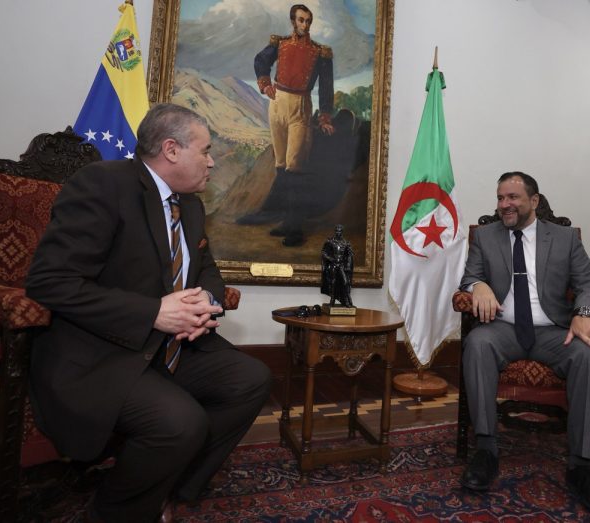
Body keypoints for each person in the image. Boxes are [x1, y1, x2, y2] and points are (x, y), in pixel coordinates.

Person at [26, 103, 272, 523]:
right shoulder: (102, 185)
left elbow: (207, 269)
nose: (212, 162)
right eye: (206, 150)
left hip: (168, 348)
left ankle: (168, 486)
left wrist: (206, 299)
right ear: (172, 150)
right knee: (181, 423)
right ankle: (114, 512)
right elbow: (50, 282)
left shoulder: (190, 206)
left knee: (251, 379)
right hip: (102, 353)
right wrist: (152, 312)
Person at [458, 172, 590, 518]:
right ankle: (486, 450)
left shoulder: (564, 238)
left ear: (534, 201)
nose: (504, 205)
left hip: (553, 331)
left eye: (513, 197)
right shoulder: (485, 236)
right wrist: (477, 286)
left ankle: (581, 465)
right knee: (477, 343)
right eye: (500, 198)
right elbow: (469, 277)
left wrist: (584, 314)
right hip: (503, 329)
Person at [248, 3, 334, 247]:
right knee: (281, 165)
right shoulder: (280, 44)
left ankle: (296, 229)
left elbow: (326, 86)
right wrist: (265, 84)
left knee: (295, 166)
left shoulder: (320, 52)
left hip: (300, 107)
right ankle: (287, 222)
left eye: (308, 20)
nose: (305, 24)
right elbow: (260, 61)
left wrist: (325, 116)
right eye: (301, 20)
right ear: (293, 21)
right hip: (277, 104)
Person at [321, 224, 354, 308]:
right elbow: (323, 252)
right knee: (333, 282)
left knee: (345, 282)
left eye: (339, 231)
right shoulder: (330, 241)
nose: (338, 233)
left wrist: (348, 265)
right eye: (336, 231)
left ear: (342, 232)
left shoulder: (346, 243)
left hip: (342, 265)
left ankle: (346, 301)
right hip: (333, 265)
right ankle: (332, 301)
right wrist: (330, 258)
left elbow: (350, 255)